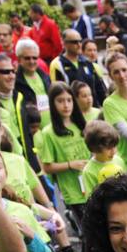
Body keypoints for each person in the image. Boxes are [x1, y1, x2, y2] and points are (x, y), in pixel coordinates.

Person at [36, 82, 91, 224]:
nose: (66, 105)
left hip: (92, 183)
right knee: (87, 231)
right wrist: (70, 165)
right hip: (73, 191)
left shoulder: (82, 125)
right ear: (52, 104)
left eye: (69, 100)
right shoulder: (49, 133)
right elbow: (47, 167)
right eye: (60, 101)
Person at [13, 39, 53, 160]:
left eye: (35, 58)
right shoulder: (16, 81)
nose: (32, 61)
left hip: (51, 128)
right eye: (27, 58)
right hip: (33, 133)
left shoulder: (44, 75)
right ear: (19, 59)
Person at [50, 27, 107, 107]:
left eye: (80, 41)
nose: (79, 44)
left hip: (93, 109)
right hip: (73, 111)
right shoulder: (57, 64)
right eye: (74, 42)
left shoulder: (87, 62)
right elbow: (57, 92)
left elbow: (99, 88)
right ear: (64, 43)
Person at [82, 119, 123, 188]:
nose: (114, 151)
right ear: (94, 148)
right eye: (109, 148)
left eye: (115, 146)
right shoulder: (89, 172)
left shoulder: (119, 160)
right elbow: (91, 197)